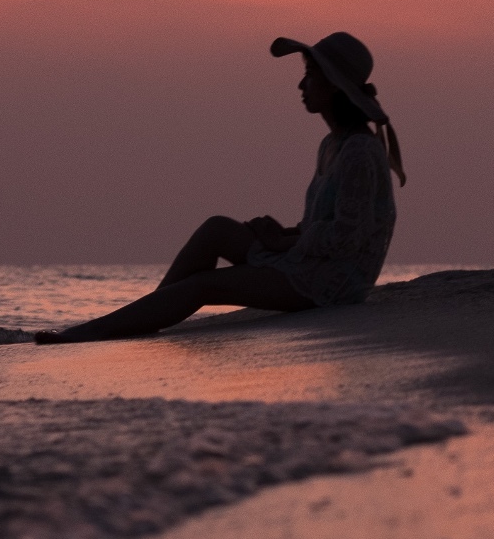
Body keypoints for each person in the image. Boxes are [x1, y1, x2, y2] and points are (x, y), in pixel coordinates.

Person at [35, 32, 406, 344]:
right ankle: (145, 312)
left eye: (310, 75)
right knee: (216, 228)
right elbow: (324, 226)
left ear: (335, 85)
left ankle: (95, 331)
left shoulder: (359, 149)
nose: (301, 84)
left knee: (204, 285)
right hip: (309, 261)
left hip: (333, 283)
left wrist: (283, 243)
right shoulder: (333, 144)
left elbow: (348, 239)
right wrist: (287, 233)